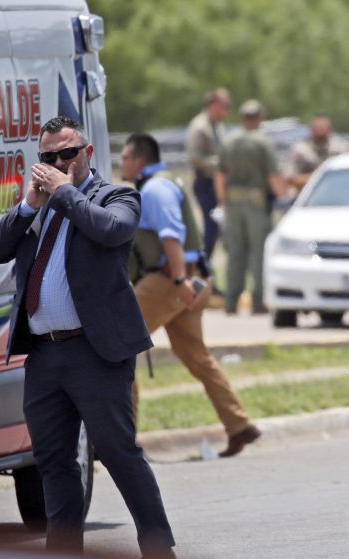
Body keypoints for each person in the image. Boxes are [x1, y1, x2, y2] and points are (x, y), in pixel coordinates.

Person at [0, 116, 177, 559]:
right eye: (48, 158)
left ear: (87, 152)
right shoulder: (41, 205)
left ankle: (158, 549)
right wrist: (30, 205)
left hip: (96, 352)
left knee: (117, 451)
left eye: (67, 153)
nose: (58, 163)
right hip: (45, 352)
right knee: (53, 460)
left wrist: (64, 191)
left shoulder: (116, 196)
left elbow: (111, 230)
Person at [121, 133, 262, 457]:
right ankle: (239, 425)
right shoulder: (162, 183)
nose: (122, 164)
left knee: (119, 344)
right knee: (197, 357)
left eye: (126, 158)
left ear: (139, 161)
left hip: (170, 281)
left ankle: (121, 440)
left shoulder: (155, 189)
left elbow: (172, 237)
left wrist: (180, 280)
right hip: (188, 281)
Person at [214, 99, 286, 315]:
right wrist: (285, 198)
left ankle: (230, 302)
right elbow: (273, 176)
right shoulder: (263, 142)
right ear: (259, 118)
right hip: (256, 202)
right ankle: (257, 302)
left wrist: (222, 201)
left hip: (233, 202)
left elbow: (220, 175)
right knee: (259, 253)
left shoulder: (229, 141)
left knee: (234, 253)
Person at [187, 88, 230, 260]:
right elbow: (195, 157)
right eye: (224, 105)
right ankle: (203, 265)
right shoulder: (200, 127)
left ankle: (206, 265)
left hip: (217, 183)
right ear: (212, 104)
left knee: (217, 227)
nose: (227, 110)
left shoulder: (218, 127)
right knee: (211, 227)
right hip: (205, 182)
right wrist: (220, 164)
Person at [284, 113, 349, 196]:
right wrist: (320, 177)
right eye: (317, 128)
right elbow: (290, 179)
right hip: (309, 198)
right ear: (311, 130)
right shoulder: (300, 150)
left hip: (339, 196)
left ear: (330, 129)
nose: (321, 131)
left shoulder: (341, 149)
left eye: (324, 128)